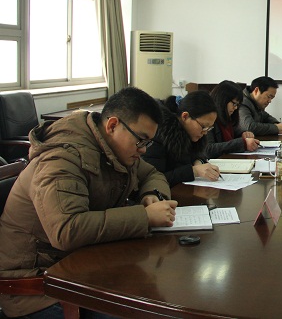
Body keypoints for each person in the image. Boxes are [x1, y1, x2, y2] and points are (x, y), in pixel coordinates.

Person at [0, 87, 177, 318]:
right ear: (112, 125)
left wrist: (151, 194)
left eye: (148, 143)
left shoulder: (115, 148)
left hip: (81, 266)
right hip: (38, 287)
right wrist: (144, 217)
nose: (143, 150)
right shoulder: (61, 159)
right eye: (140, 141)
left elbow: (152, 174)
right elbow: (67, 230)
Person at [142, 90, 220, 187]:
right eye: (204, 126)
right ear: (185, 116)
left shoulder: (192, 134)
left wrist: (198, 162)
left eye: (209, 128)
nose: (205, 132)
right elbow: (153, 178)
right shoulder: (159, 134)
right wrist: (193, 171)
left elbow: (199, 154)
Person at [205, 80, 260, 158]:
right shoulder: (208, 118)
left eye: (237, 105)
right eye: (234, 104)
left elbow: (231, 138)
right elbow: (208, 149)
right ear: (223, 100)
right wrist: (243, 143)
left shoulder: (228, 117)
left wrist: (243, 135)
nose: (236, 108)